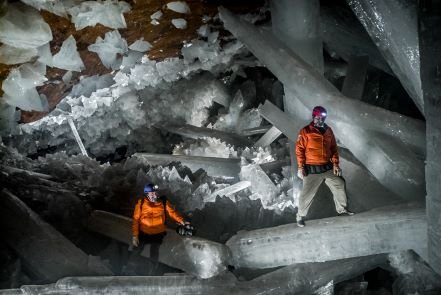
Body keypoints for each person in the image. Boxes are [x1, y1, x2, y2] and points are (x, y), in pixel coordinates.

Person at [295, 106, 354, 227]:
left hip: (327, 167)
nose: (320, 120)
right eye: (317, 118)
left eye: (322, 118)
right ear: (313, 117)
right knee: (307, 194)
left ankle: (342, 210)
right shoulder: (305, 131)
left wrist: (336, 165)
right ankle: (300, 216)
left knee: (339, 183)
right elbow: (299, 150)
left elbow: (333, 149)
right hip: (311, 169)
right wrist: (301, 167)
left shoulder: (328, 131)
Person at [132, 183, 188, 258]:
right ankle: (130, 267)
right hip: (144, 232)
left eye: (155, 192)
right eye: (152, 193)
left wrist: (182, 221)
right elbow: (136, 219)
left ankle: (153, 268)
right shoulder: (141, 203)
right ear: (147, 194)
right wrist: (135, 236)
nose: (154, 194)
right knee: (136, 250)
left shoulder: (163, 202)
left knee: (154, 253)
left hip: (158, 233)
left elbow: (172, 213)